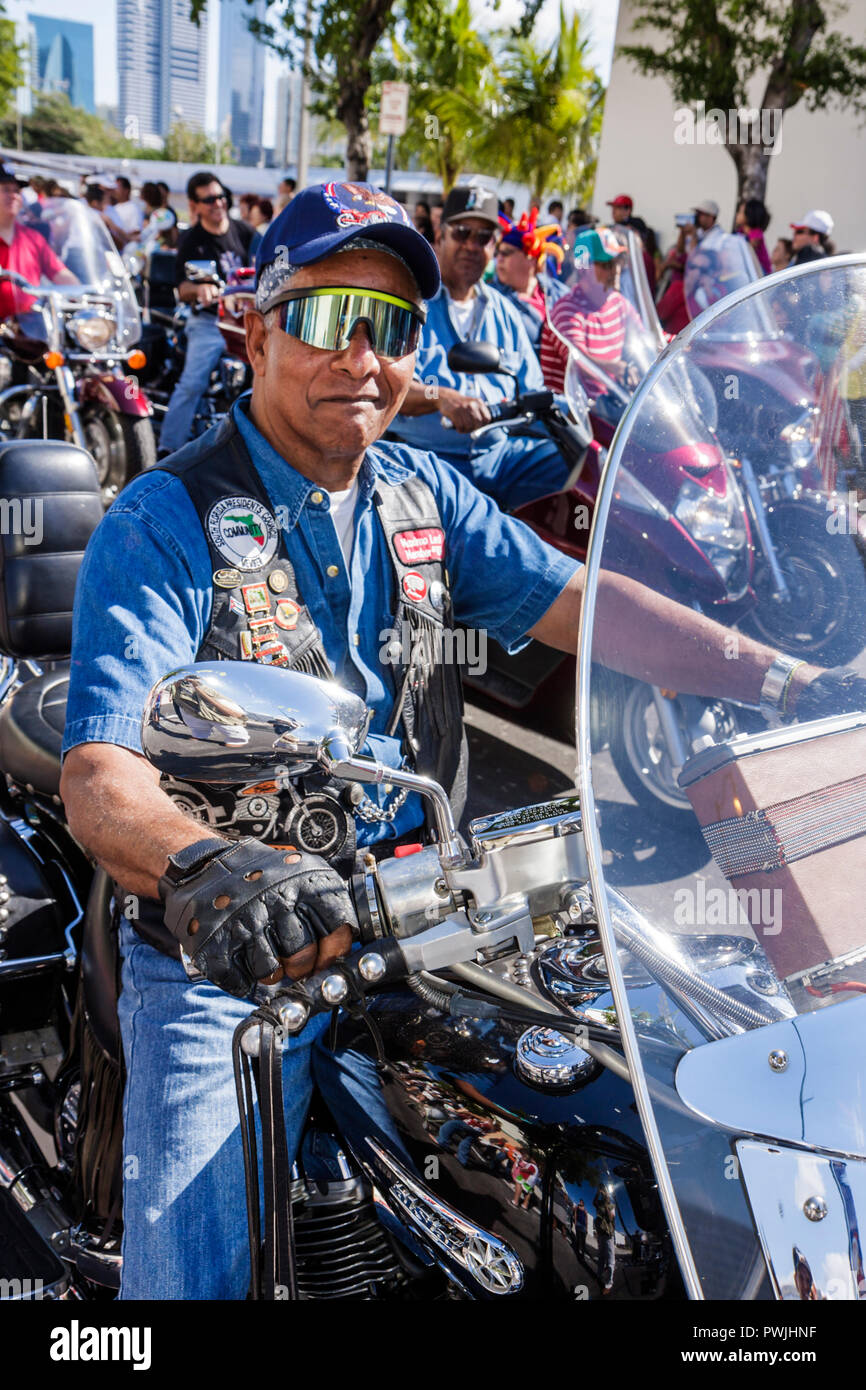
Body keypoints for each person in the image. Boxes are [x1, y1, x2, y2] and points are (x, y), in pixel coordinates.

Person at [57, 180, 853, 1302]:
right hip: (238, 951)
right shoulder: (166, 517)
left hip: (431, 906)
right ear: (258, 327)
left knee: (645, 1104)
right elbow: (101, 774)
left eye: (389, 332)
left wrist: (786, 677)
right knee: (193, 1269)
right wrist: (209, 867)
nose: (361, 360)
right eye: (331, 319)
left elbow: (589, 604)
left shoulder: (416, 492)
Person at [389, 183, 572, 511]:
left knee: (581, 470)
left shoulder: (504, 312)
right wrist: (439, 398)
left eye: (484, 237)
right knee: (481, 535)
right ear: (440, 237)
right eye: (462, 233)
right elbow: (386, 388)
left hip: (500, 457)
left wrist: (587, 413)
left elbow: (533, 390)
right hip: (429, 459)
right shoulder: (408, 303)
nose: (472, 246)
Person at [157, 170, 254, 456]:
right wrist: (198, 289)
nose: (218, 203)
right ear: (194, 205)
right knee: (192, 383)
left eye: (221, 195)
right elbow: (182, 286)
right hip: (209, 321)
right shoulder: (191, 240)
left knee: (270, 374)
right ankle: (167, 452)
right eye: (209, 199)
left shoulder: (244, 232)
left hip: (245, 322)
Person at [540, 226, 643, 417]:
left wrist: (677, 343)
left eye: (618, 262)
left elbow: (646, 338)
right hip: (572, 418)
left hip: (608, 408)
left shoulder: (617, 303)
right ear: (584, 268)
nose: (616, 270)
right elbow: (578, 361)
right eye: (607, 264)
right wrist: (617, 367)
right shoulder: (567, 310)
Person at [0, 163, 77, 323]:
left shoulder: (32, 237)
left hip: (31, 329)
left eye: (16, 191)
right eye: (6, 190)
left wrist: (86, 293)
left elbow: (60, 273)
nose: (13, 195)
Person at [490, 206, 568, 350]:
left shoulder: (556, 292)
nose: (499, 258)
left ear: (531, 258)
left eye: (507, 253)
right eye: (498, 253)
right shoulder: (491, 300)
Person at [735, 197, 771, 274]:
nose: (737, 214)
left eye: (740, 212)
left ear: (749, 215)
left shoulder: (756, 232)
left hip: (761, 272)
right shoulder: (739, 232)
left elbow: (750, 248)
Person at [105, 175, 144, 240]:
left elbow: (136, 231)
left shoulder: (133, 208)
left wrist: (120, 236)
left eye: (117, 187)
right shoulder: (113, 208)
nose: (114, 190)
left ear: (126, 190)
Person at [593, 1184, 616, 1293]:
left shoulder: (611, 1206)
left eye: (605, 1192)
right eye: (604, 1192)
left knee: (610, 1260)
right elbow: (594, 1202)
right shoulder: (599, 1203)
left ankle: (609, 1284)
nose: (604, 1194)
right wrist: (598, 1192)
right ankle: (599, 1274)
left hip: (608, 1234)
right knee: (601, 1257)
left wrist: (606, 1202)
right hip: (601, 1233)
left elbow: (610, 1218)